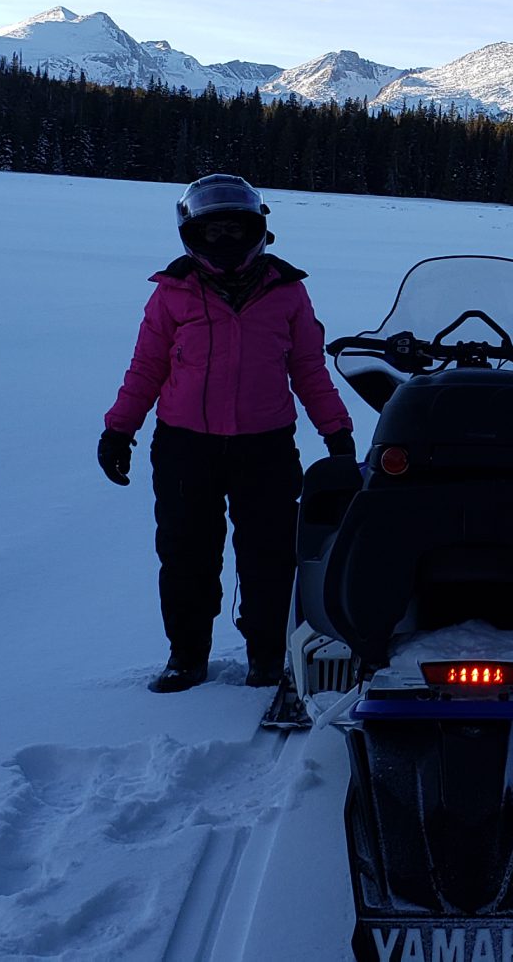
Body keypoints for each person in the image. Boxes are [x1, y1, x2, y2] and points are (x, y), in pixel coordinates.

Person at [98, 174, 354, 694]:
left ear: (258, 230)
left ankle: (266, 656)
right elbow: (147, 366)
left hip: (266, 446)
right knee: (186, 552)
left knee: (270, 554)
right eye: (212, 232)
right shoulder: (172, 292)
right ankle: (186, 657)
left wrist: (338, 433)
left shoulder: (288, 291)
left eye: (235, 230)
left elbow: (308, 368)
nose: (225, 241)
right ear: (191, 235)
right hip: (185, 446)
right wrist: (119, 429)